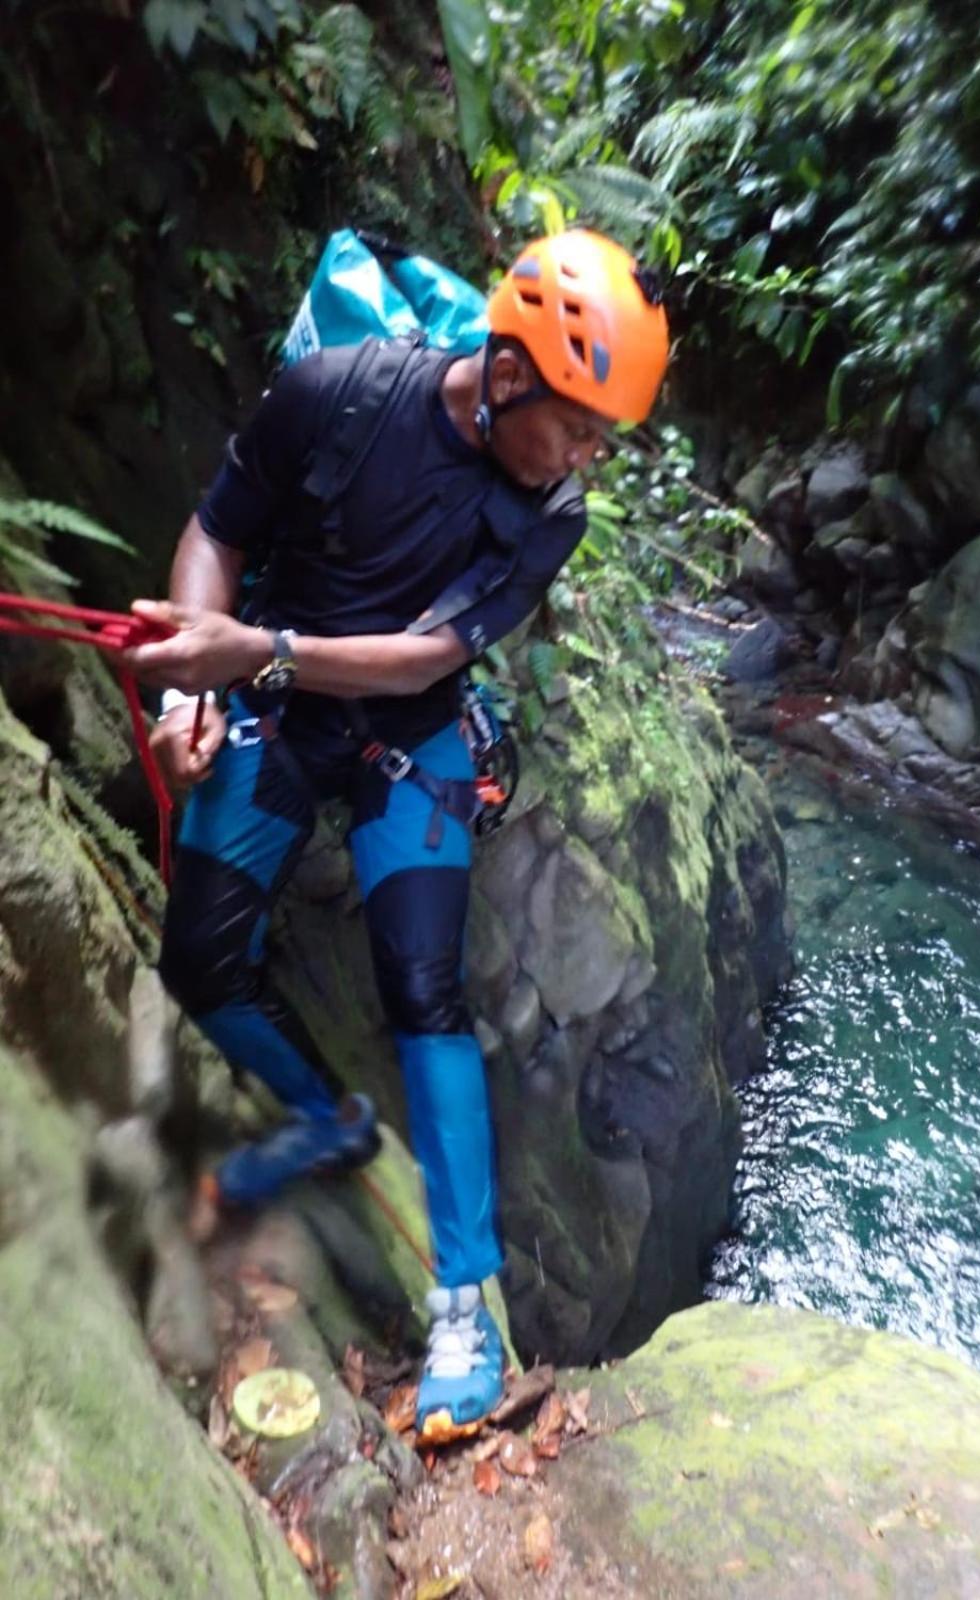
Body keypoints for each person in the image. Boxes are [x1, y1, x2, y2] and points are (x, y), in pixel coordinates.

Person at [124, 229, 670, 1430]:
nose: (585, 459)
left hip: (404, 732)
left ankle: (464, 1305)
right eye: (577, 426)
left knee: (425, 988)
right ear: (513, 370)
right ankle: (328, 1117)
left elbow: (431, 653)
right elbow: (217, 534)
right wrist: (185, 696)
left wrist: (254, 654)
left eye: (601, 440)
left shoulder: (549, 515)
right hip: (273, 700)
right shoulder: (338, 396)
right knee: (201, 959)